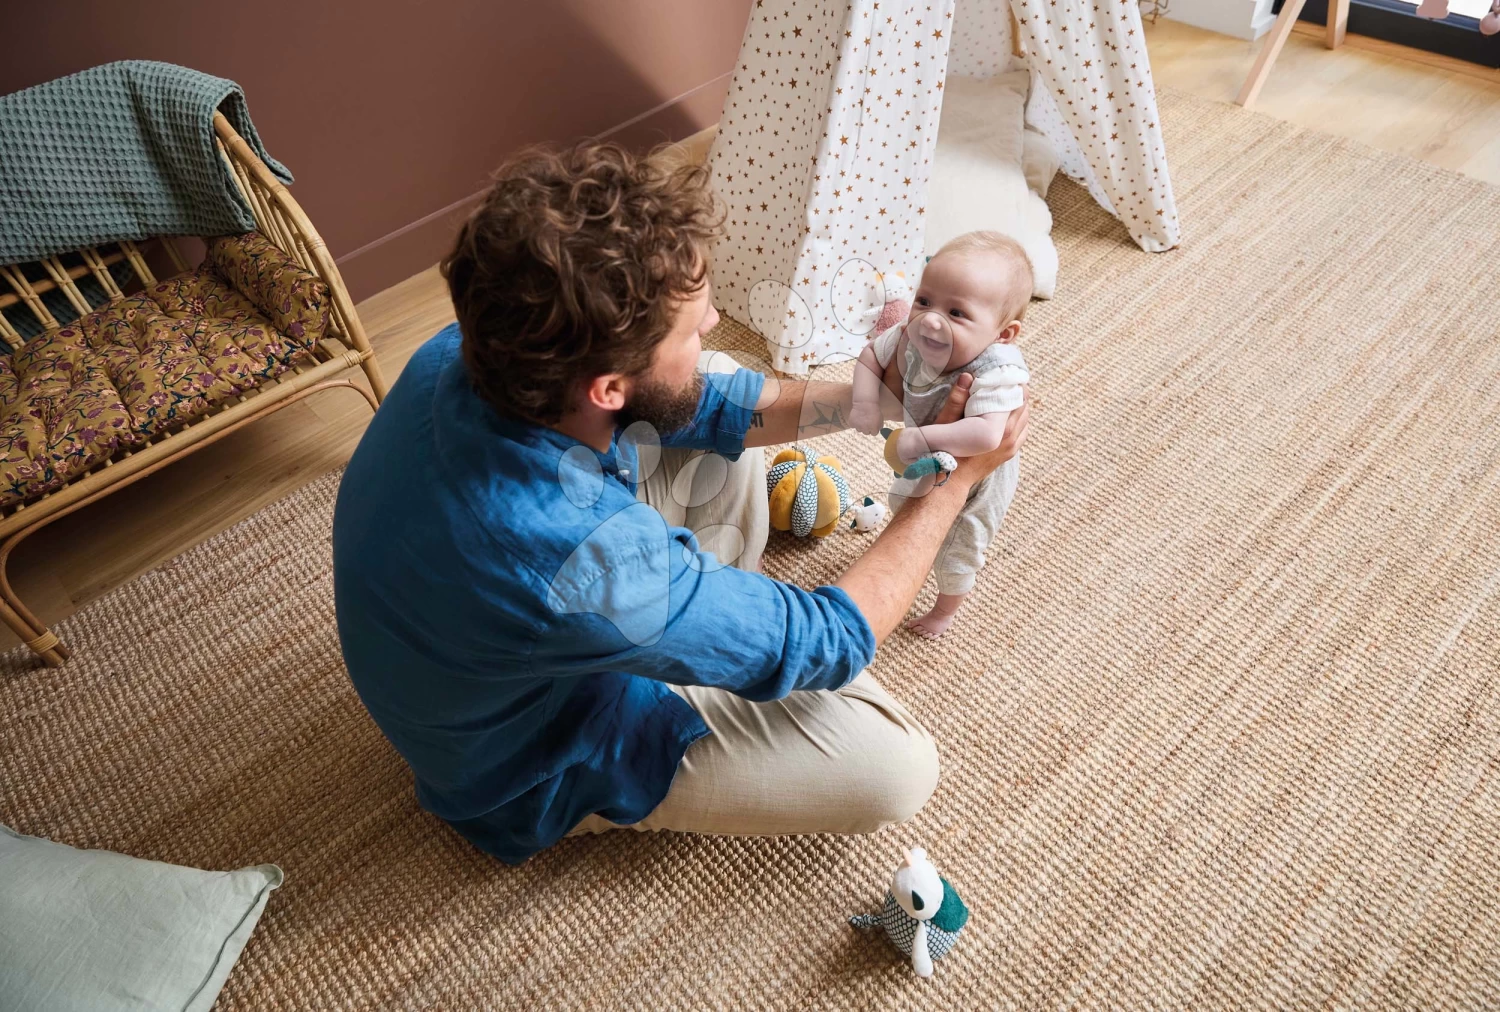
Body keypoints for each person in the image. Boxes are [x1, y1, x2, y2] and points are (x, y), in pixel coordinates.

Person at [331, 140, 1030, 865]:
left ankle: (716, 608)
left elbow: (699, 401)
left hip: (501, 619)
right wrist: (956, 481)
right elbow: (827, 642)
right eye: (692, 324)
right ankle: (709, 629)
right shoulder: (588, 562)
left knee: (709, 386)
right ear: (606, 387)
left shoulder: (480, 344)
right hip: (532, 760)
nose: (716, 318)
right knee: (895, 765)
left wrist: (873, 403)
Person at [849, 230, 1033, 638]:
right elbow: (869, 357)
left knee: (957, 551)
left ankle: (945, 610)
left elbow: (988, 436)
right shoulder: (910, 335)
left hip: (977, 479)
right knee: (905, 505)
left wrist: (923, 438)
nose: (931, 320)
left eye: (957, 313)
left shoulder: (997, 370)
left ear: (1003, 334)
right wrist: (864, 401)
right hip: (924, 452)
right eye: (924, 300)